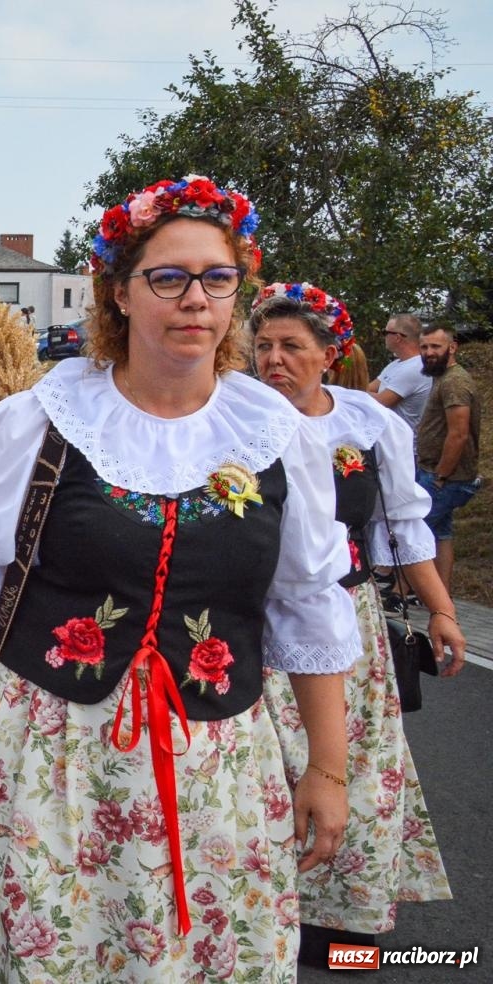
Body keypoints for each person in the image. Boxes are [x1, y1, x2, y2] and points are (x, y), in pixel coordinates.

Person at [0, 176, 362, 980]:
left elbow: (307, 605)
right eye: (169, 278)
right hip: (56, 757)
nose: (195, 299)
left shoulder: (275, 435)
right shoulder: (44, 420)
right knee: (57, 958)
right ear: (119, 294)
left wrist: (328, 771)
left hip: (221, 763)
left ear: (238, 293)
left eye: (217, 278)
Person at [250, 281, 459, 965]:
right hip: (249, 624)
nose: (273, 359)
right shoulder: (232, 418)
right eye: (263, 345)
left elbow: (402, 523)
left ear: (330, 353)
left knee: (351, 773)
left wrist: (443, 609)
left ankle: (345, 933)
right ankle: (258, 918)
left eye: (291, 346)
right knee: (263, 774)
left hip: (347, 620)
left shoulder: (369, 422)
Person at [413, 323, 482, 592]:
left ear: (452, 347)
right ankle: (441, 594)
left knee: (414, 532)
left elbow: (458, 435)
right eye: (424, 347)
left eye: (435, 346)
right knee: (441, 533)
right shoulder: (443, 377)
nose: (429, 352)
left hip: (445, 476)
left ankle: (400, 592)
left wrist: (441, 476)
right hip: (437, 472)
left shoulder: (455, 382)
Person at [368, 313, 432, 428]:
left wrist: (350, 390)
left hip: (403, 443)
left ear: (397, 337)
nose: (384, 337)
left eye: (385, 333)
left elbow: (380, 402)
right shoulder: (396, 364)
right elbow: (370, 388)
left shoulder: (415, 368)